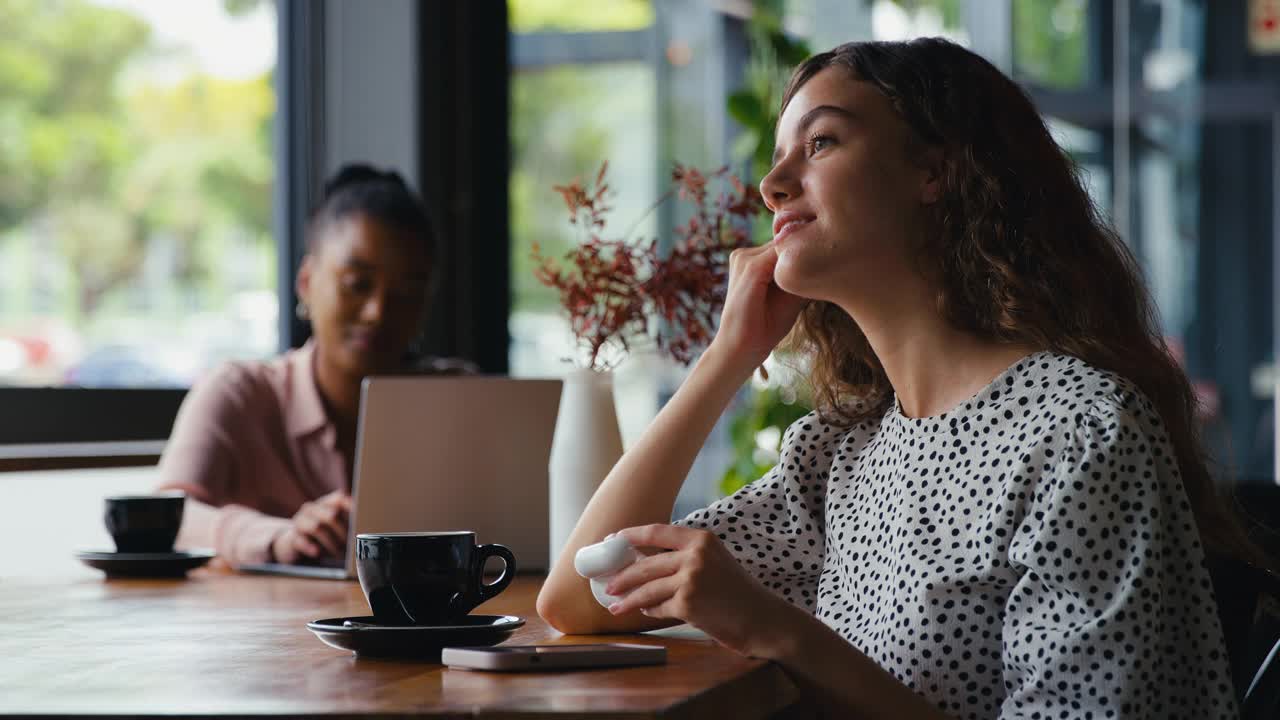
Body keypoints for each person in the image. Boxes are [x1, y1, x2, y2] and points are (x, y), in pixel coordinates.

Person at [537, 38, 1247, 719]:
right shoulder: (841, 453)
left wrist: (776, 630)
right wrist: (729, 353)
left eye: (820, 143)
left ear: (935, 173)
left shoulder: (1081, 432)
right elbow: (576, 599)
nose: (773, 184)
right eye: (779, 157)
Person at [157, 164, 459, 567]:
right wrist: (277, 536)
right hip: (263, 627)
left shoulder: (455, 399)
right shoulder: (238, 393)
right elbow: (167, 516)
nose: (378, 312)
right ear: (305, 282)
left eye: (408, 292)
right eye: (357, 284)